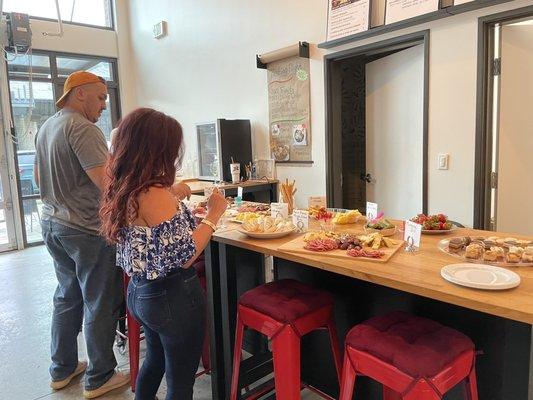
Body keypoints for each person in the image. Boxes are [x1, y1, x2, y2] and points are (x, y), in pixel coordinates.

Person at [99, 107, 227, 400]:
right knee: (180, 382)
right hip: (173, 296)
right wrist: (214, 215)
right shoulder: (152, 193)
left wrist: (174, 196)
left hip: (141, 293)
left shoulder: (125, 185)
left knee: (154, 362)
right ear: (155, 149)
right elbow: (185, 255)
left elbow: (156, 238)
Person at [34, 70, 130, 398]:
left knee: (66, 295)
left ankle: (61, 369)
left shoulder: (48, 127)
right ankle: (100, 375)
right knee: (99, 302)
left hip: (53, 223)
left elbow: (37, 178)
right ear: (79, 94)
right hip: (86, 229)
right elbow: (109, 187)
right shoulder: (82, 128)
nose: (104, 105)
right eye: (100, 97)